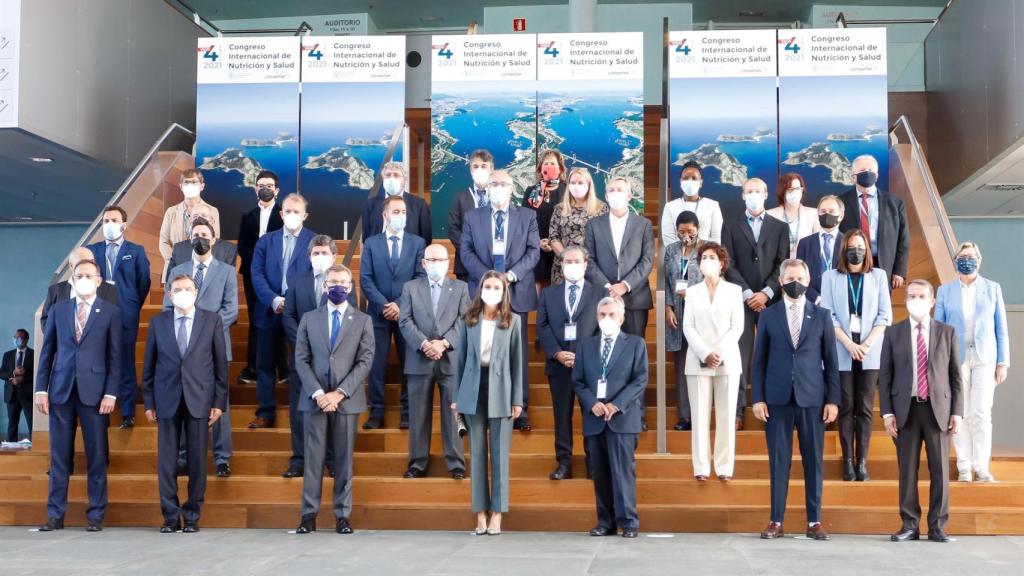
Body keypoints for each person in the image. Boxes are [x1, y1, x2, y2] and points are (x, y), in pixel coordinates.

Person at [752, 259, 840, 541]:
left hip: (812, 398)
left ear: (808, 279)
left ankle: (814, 521)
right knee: (779, 461)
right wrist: (758, 398)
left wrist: (832, 399)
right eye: (790, 277)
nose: (796, 282)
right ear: (780, 281)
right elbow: (759, 361)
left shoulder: (823, 316)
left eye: (800, 277)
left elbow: (831, 361)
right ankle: (776, 520)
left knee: (813, 461)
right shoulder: (768, 315)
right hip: (777, 399)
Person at [34, 259, 122, 532]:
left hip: (95, 394)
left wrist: (111, 392)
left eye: (89, 275)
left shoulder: (110, 312)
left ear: (99, 280)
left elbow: (116, 357)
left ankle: (95, 515)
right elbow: (47, 351)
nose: (83, 279)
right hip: (60, 391)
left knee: (96, 457)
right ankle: (55, 514)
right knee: (59, 457)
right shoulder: (59, 310)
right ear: (72, 279)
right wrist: (40, 389)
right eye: (79, 275)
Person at [143, 274, 228, 533]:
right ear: (169, 295)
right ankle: (170, 516)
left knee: (197, 461)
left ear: (196, 291)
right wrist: (148, 402)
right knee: (166, 462)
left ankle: (192, 515)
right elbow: (149, 366)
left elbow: (220, 365)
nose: (182, 292)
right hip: (166, 399)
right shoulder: (158, 322)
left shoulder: (211, 320)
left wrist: (219, 402)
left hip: (200, 399)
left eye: (187, 288)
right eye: (177, 289)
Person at [880, 279, 963, 543]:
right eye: (911, 296)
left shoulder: (947, 332)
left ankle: (937, 526)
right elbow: (885, 376)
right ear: (905, 300)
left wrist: (957, 412)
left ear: (932, 301)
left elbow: (955, 376)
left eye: (921, 296)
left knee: (939, 470)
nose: (916, 301)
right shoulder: (893, 333)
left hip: (938, 409)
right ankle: (909, 525)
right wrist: (887, 413)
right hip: (906, 411)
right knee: (907, 470)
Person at [293, 265, 374, 535]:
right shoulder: (309, 318)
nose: (337, 286)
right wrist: (319, 393)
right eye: (332, 282)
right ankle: (308, 515)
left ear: (350, 287)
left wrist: (339, 393)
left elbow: (365, 361)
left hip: (346, 400)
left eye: (342, 282)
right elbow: (301, 360)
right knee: (312, 459)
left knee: (343, 460)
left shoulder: (362, 320)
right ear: (325, 286)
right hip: (314, 399)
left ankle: (342, 515)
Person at [460, 169, 539, 431]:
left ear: (512, 187)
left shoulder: (527, 216)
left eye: (503, 184)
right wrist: (491, 280)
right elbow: (466, 251)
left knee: (517, 353)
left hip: (517, 292)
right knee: (481, 350)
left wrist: (511, 277)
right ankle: (482, 405)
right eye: (494, 183)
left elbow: (533, 251)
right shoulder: (473, 217)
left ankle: (520, 407)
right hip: (482, 294)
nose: (498, 187)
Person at [164, 220, 238, 478]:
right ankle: (184, 456)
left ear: (213, 240)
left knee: (220, 404)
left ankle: (221, 458)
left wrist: (206, 331)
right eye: (195, 235)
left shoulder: (227, 271)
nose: (200, 238)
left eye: (204, 235)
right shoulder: (178, 270)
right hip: (182, 351)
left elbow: (231, 310)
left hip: (216, 348)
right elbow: (167, 307)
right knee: (184, 401)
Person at [453, 272, 523, 535]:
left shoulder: (512, 321)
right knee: (477, 453)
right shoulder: (468, 320)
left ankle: (497, 514)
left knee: (499, 454)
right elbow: (459, 361)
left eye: (496, 286)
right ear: (480, 289)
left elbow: (517, 362)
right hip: (473, 388)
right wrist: (456, 398)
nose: (491, 290)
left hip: (502, 390)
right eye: (487, 286)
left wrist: (517, 399)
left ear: (504, 291)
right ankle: (480, 513)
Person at [820, 229, 892, 481]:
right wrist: (850, 344)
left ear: (867, 250)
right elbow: (827, 315)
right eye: (852, 246)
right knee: (847, 406)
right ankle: (847, 461)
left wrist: (867, 344)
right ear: (844, 249)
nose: (856, 251)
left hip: (870, 351)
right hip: (842, 348)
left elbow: (885, 315)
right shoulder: (830, 277)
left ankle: (862, 461)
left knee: (865, 407)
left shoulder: (878, 276)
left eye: (861, 246)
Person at [935, 241, 1010, 482]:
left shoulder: (992, 288)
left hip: (985, 357)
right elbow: (938, 329)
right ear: (956, 260)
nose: (966, 260)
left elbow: (1001, 328)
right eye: (962, 256)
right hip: (955, 359)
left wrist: (1003, 362)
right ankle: (965, 466)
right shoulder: (945, 291)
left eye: (971, 256)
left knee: (981, 412)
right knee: (960, 412)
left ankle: (981, 467)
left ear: (979, 260)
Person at [574, 296, 647, 538]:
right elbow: (578, 381)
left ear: (622, 318)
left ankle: (628, 522)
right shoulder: (585, 345)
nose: (607, 319)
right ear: (596, 318)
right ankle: (605, 521)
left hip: (622, 419)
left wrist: (616, 405)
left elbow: (639, 380)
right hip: (595, 419)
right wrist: (592, 403)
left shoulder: (635, 344)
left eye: (611, 315)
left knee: (623, 471)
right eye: (602, 315)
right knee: (600, 472)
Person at [584, 175, 653, 430]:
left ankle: (638, 415)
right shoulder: (594, 225)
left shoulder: (643, 224)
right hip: (602, 301)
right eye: (611, 189)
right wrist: (607, 287)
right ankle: (603, 410)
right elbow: (588, 259)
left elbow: (647, 260)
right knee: (603, 357)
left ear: (629, 195)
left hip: (634, 299)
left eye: (620, 189)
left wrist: (624, 285)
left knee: (635, 359)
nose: (614, 193)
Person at [721, 178, 789, 430]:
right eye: (749, 191)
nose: (753, 195)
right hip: (741, 300)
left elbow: (782, 263)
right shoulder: (730, 226)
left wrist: (767, 293)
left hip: (771, 301)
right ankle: (738, 410)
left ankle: (773, 406)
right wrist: (749, 293)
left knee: (775, 355)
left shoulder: (780, 227)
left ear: (766, 194)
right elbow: (728, 264)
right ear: (742, 195)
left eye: (758, 191)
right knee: (739, 356)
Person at [398, 243, 469, 479]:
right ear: (423, 263)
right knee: (418, 415)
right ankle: (417, 464)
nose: (436, 264)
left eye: (441, 260)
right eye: (431, 260)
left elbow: (465, 320)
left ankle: (456, 463)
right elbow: (405, 321)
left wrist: (444, 343)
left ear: (448, 263)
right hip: (419, 359)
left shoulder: (460, 288)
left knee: (454, 414)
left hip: (450, 360)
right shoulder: (410, 287)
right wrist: (425, 344)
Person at [249, 193, 316, 429]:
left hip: (301, 314)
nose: (291, 215)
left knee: (301, 363)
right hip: (269, 311)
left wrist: (291, 302)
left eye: (296, 212)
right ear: (281, 214)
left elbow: (315, 275)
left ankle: (301, 411)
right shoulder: (266, 241)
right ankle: (265, 412)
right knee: (265, 363)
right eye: (287, 211)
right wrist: (274, 299)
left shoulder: (314, 242)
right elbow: (256, 274)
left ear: (305, 216)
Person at [361, 195, 427, 430]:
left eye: (403, 212)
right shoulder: (371, 243)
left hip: (407, 314)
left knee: (409, 364)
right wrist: (383, 305)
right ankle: (376, 413)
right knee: (376, 365)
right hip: (378, 314)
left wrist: (399, 304)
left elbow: (420, 278)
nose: (400, 216)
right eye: (396, 211)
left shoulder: (417, 243)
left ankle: (407, 413)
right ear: (385, 215)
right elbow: (366, 280)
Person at [537, 245, 602, 479]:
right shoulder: (548, 294)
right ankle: (564, 462)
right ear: (561, 266)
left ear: (585, 265)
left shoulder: (598, 294)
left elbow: (603, 329)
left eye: (577, 262)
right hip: (559, 365)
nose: (572, 266)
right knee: (561, 416)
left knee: (590, 415)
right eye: (567, 262)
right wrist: (556, 353)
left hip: (588, 367)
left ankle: (593, 462)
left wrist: (583, 356)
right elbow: (542, 326)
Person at [682, 242, 744, 481]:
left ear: (721, 263)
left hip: (727, 359)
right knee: (699, 416)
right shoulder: (693, 291)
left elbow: (737, 326)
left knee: (727, 415)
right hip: (698, 359)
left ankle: (725, 467)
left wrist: (718, 352)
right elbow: (688, 326)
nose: (707, 260)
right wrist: (705, 352)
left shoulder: (734, 291)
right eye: (703, 257)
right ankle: (701, 467)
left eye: (712, 257)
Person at [282, 235, 341, 478]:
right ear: (309, 257)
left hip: (334, 362)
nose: (320, 257)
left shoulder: (344, 283)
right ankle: (299, 459)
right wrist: (307, 346)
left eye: (324, 253)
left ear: (334, 256)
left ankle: (332, 460)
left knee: (333, 411)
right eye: (315, 253)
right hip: (302, 360)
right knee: (299, 412)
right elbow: (289, 317)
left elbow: (352, 319)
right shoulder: (297, 282)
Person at [88, 205, 151, 430]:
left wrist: (131, 302)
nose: (109, 224)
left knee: (125, 361)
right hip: (97, 315)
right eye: (106, 221)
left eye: (114, 220)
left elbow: (144, 282)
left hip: (126, 313)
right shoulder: (91, 250)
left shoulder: (136, 251)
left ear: (124, 224)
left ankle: (127, 412)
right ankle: (100, 408)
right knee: (99, 361)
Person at [237, 170, 284, 384]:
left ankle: (283, 369)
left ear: (277, 190)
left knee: (279, 319)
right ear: (256, 188)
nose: (265, 188)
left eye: (269, 185)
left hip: (277, 275)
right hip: (251, 275)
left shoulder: (284, 214)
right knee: (256, 320)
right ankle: (252, 368)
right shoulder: (248, 215)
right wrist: (256, 264)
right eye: (261, 185)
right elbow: (242, 246)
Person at [839, 154, 910, 290]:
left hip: (884, 266)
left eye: (871, 171)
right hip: (852, 264)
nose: (867, 174)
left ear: (877, 175)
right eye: (862, 171)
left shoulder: (895, 202)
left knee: (882, 308)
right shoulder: (841, 202)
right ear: (853, 176)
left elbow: (904, 238)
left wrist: (899, 271)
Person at [664, 211, 703, 431]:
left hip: (699, 313)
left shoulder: (707, 249)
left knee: (699, 364)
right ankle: (684, 416)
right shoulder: (671, 250)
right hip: (677, 313)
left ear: (698, 228)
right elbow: (667, 282)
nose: (686, 235)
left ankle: (700, 415)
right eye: (681, 231)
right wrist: (668, 307)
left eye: (690, 230)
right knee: (681, 366)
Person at [548, 167, 608, 284]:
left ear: (589, 185)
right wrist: (567, 259)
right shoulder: (560, 208)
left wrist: (584, 262)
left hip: (592, 267)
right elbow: (553, 237)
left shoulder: (601, 208)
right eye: (573, 182)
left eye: (580, 182)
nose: (576, 186)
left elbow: (605, 239)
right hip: (564, 267)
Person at [40, 248, 119, 334]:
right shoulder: (55, 290)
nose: (86, 265)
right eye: (81, 262)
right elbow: (46, 320)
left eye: (90, 261)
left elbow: (113, 323)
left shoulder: (109, 290)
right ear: (71, 266)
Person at [158, 170, 221, 279]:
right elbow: (163, 242)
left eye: (194, 182)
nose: (190, 185)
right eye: (186, 182)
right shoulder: (171, 212)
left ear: (202, 186)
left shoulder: (212, 211)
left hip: (202, 269)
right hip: (175, 269)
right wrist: (176, 261)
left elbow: (214, 239)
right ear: (181, 186)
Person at [520, 149, 566, 288]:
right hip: (537, 248)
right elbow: (523, 222)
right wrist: (537, 242)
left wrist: (555, 243)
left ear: (560, 168)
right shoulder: (531, 191)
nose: (549, 166)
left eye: (553, 163)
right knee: (539, 289)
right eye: (546, 163)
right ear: (540, 168)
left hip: (561, 249)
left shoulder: (568, 190)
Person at [448, 149, 494, 282]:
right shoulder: (460, 197)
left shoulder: (499, 195)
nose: (479, 169)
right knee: (468, 302)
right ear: (470, 170)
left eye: (484, 166)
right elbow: (453, 229)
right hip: (465, 266)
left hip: (494, 263)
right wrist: (470, 252)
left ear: (491, 169)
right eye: (475, 166)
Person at [361, 161, 432, 244]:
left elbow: (426, 238)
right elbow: (366, 237)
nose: (391, 178)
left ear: (405, 179)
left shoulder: (419, 205)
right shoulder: (370, 205)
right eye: (388, 175)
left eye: (396, 175)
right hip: (378, 255)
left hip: (410, 255)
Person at [660, 161, 723, 246]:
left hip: (705, 257)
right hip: (678, 258)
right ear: (680, 182)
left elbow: (716, 238)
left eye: (694, 178)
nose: (690, 181)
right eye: (685, 178)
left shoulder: (713, 206)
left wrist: (701, 254)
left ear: (701, 182)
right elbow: (669, 240)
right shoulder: (670, 207)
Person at [796, 194, 845, 303]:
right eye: (823, 211)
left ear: (841, 216)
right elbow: (798, 277)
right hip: (813, 303)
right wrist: (817, 299)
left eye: (832, 211)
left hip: (842, 301)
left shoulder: (848, 242)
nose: (827, 214)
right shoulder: (805, 243)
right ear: (817, 214)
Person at [164, 211, 237, 283]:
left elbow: (228, 284)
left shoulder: (228, 249)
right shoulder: (179, 249)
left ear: (212, 221)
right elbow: (170, 281)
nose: (200, 218)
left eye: (204, 215)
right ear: (190, 222)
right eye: (195, 216)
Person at [766, 172, 820, 258]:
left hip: (805, 264)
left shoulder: (813, 214)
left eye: (798, 188)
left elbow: (818, 244)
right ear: (782, 192)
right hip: (779, 265)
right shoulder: (769, 215)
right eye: (790, 189)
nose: (795, 193)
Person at [1, 329, 34, 441]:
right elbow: (1, 373)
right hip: (11, 394)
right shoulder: (7, 355)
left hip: (27, 396)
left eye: (19, 338)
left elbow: (38, 374)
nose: (16, 340)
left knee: (31, 424)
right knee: (12, 424)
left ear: (26, 340)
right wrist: (13, 373)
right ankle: (11, 448)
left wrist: (23, 379)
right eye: (15, 337)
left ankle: (34, 448)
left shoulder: (33, 354)